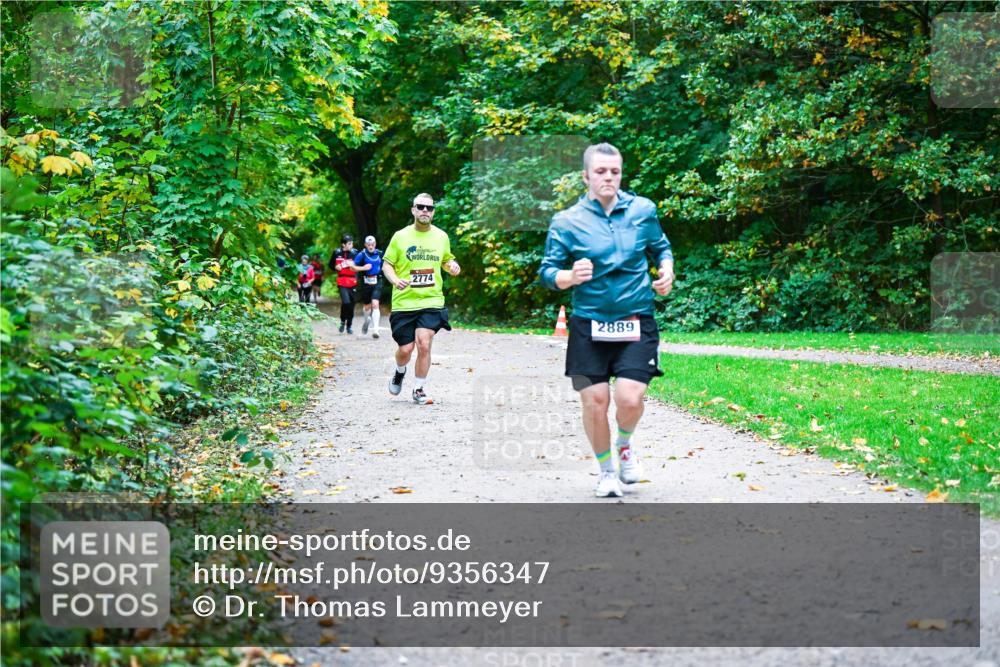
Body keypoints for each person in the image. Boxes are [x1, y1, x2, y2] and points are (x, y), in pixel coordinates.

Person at [538, 142, 674, 498]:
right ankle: (606, 471)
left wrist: (667, 270)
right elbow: (547, 272)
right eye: (600, 171)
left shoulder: (643, 210)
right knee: (595, 402)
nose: (608, 177)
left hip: (636, 319)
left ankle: (625, 446)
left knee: (630, 398)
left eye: (614, 171)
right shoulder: (567, 222)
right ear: (586, 176)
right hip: (587, 324)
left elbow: (660, 246)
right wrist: (568, 276)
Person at [382, 193, 460, 405]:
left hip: (431, 300)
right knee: (406, 350)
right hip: (404, 302)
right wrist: (395, 279)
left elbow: (447, 260)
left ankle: (418, 389)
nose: (425, 211)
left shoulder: (441, 237)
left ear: (433, 212)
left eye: (429, 208)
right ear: (413, 210)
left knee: (424, 345)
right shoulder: (400, 236)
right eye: (421, 207)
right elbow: (386, 264)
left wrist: (452, 266)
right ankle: (400, 371)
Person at [353, 235, 384, 338]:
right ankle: (366, 322)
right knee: (367, 307)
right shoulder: (361, 255)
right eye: (369, 245)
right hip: (366, 282)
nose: (371, 246)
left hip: (377, 280)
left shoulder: (380, 253)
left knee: (375, 304)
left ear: (375, 244)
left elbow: (387, 264)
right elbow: (352, 268)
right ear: (365, 245)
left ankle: (375, 330)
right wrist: (363, 268)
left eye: (372, 244)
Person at [329, 234, 358, 333]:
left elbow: (361, 264)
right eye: (349, 243)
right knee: (346, 302)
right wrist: (335, 267)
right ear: (343, 244)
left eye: (352, 243)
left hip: (353, 281)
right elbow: (331, 264)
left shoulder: (355, 253)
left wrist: (354, 266)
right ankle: (342, 321)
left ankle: (349, 326)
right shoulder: (336, 253)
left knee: (351, 304)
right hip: (342, 281)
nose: (351, 245)